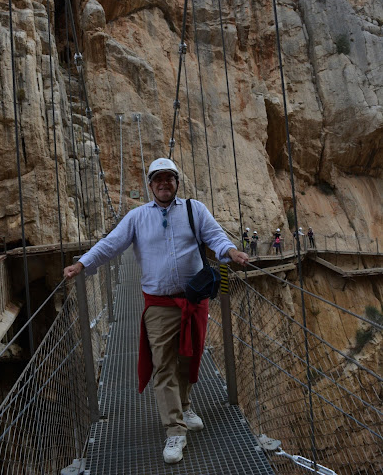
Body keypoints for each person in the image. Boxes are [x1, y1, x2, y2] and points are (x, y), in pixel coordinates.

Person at [64, 157, 248, 464]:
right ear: (150, 185)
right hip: (159, 305)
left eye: (169, 178)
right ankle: (174, 430)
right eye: (158, 179)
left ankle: (185, 406)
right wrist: (83, 263)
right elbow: (111, 244)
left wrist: (230, 251)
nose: (164, 183)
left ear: (177, 182)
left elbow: (215, 237)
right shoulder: (137, 218)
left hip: (193, 300)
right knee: (164, 365)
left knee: (190, 357)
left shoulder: (194, 209)